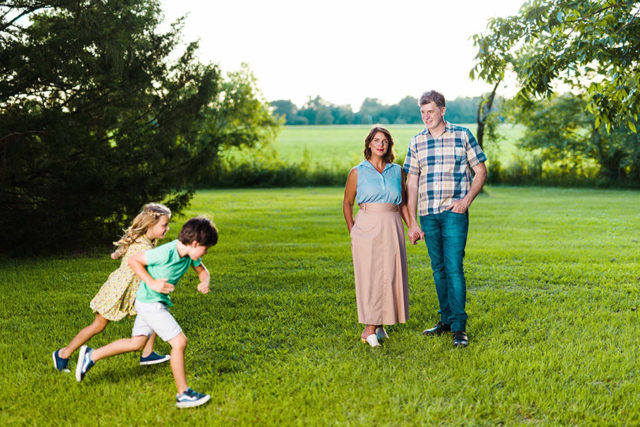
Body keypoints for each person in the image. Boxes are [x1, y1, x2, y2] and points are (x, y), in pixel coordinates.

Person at [75, 216, 218, 409]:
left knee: (137, 343)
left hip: (150, 302)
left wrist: (204, 281)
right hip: (151, 303)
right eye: (205, 248)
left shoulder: (190, 255)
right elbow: (134, 261)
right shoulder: (165, 252)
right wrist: (152, 282)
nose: (206, 252)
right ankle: (183, 394)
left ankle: (91, 356)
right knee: (179, 342)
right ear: (194, 243)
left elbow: (203, 271)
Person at [404, 90, 487, 347]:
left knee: (453, 269)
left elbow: (481, 171)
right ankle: (446, 321)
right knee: (438, 270)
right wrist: (413, 222)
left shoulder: (462, 135)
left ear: (442, 110)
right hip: (428, 215)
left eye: (430, 111)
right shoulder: (417, 141)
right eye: (422, 113)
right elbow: (412, 184)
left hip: (453, 214)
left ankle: (459, 328)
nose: (426, 117)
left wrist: (465, 202)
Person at [52, 203, 172, 372]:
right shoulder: (142, 246)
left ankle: (147, 353)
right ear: (150, 225)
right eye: (164, 225)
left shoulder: (145, 240)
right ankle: (63, 353)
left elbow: (129, 242)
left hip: (133, 290)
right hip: (117, 291)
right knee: (98, 326)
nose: (167, 228)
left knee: (151, 312)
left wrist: (118, 253)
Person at [343, 125, 411, 347]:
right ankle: (368, 330)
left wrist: (411, 226)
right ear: (369, 144)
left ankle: (380, 326)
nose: (380, 144)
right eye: (376, 140)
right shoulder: (357, 171)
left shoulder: (397, 171)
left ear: (389, 145)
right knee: (370, 276)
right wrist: (353, 230)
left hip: (392, 225)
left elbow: (402, 203)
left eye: (384, 141)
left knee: (390, 274)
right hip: (366, 228)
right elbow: (347, 203)